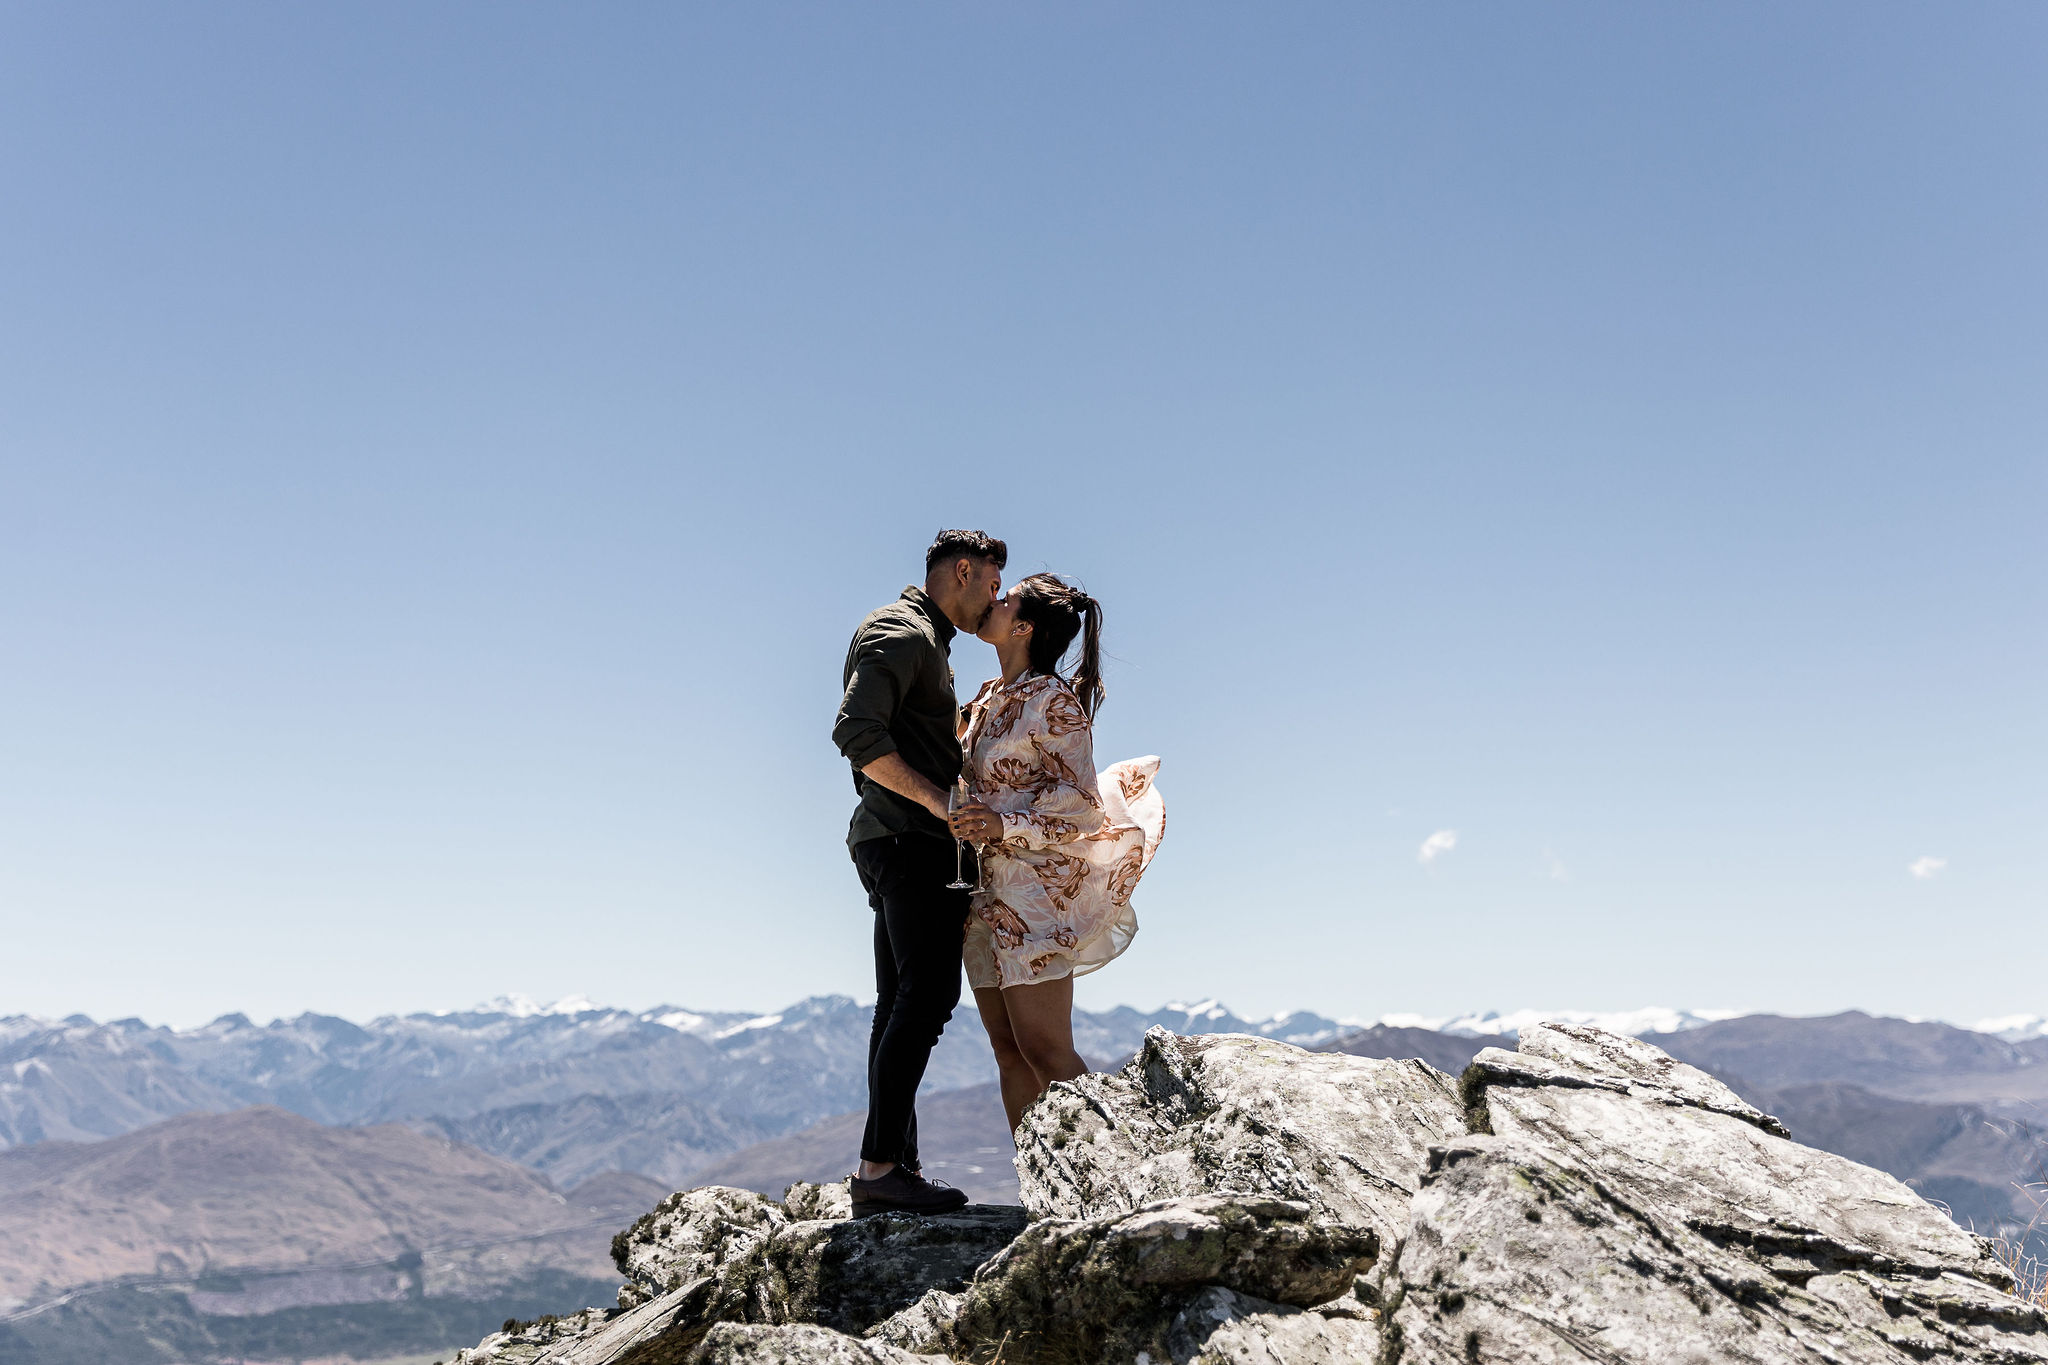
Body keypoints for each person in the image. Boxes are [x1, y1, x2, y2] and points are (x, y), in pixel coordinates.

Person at [948, 574, 1165, 1133]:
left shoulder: (1054, 702)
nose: (990, 603)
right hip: (982, 892)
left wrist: (1003, 822)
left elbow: (1082, 805)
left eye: (1006, 600)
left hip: (1033, 894)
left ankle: (1120, 1176)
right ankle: (1039, 1188)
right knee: (1007, 1050)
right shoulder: (988, 699)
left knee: (1045, 1049)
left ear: (1023, 628)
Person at [832, 529, 1007, 1218]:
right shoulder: (902, 633)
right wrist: (942, 801)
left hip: (893, 840)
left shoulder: (925, 640)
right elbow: (856, 733)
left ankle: (892, 1165)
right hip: (906, 842)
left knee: (899, 1001)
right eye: (990, 584)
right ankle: (880, 1166)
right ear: (961, 571)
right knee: (930, 997)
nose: (991, 599)